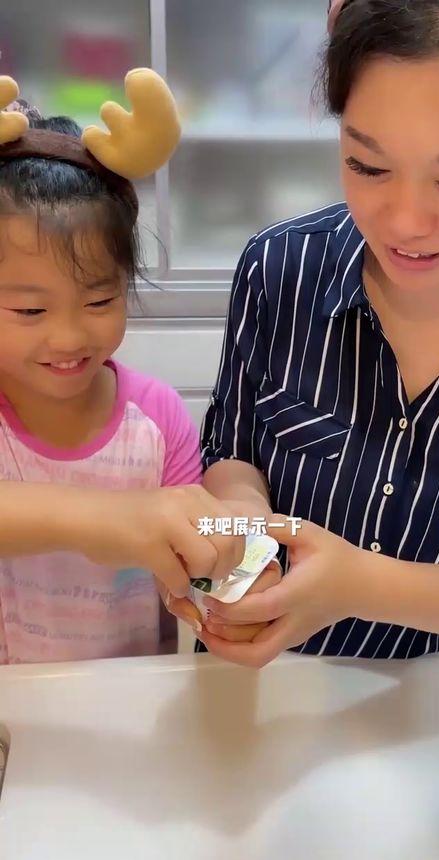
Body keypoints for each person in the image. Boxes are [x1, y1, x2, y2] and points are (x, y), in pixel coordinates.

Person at [168, 0, 439, 667]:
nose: (404, 222)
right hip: (267, 693)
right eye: (367, 166)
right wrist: (243, 547)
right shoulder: (281, 267)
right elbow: (233, 454)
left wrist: (360, 587)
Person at [0, 71, 248, 664]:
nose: (69, 336)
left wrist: (235, 574)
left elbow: (197, 554)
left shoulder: (155, 418)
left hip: (131, 690)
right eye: (30, 310)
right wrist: (101, 519)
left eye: (99, 301)